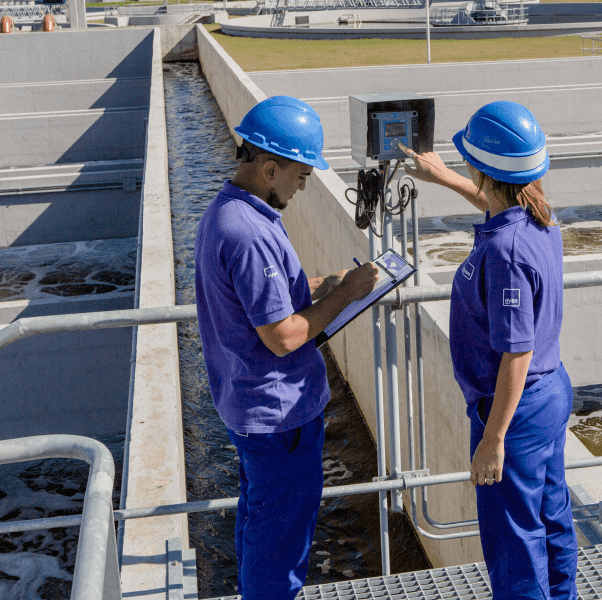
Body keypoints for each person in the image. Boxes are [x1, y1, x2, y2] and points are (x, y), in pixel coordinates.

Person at [194, 96, 381, 600]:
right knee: (282, 542)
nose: (302, 187)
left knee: (261, 522)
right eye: (299, 176)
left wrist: (317, 285)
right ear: (270, 169)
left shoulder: (225, 213)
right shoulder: (249, 232)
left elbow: (258, 302)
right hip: (280, 416)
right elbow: (282, 337)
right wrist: (347, 294)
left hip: (250, 406)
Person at [401, 101, 579, 600]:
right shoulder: (540, 214)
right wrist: (442, 178)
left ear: (481, 167)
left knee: (514, 544)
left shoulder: (506, 251)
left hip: (514, 411)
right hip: (549, 394)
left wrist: (493, 438)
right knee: (550, 517)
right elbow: (497, 204)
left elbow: (515, 352)